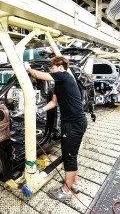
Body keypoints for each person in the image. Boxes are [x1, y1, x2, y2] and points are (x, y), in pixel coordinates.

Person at [24, 56, 87, 200]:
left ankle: (65, 192)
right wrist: (40, 110)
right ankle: (75, 183)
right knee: (70, 155)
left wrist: (27, 68)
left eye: (52, 67)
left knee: (69, 158)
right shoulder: (60, 83)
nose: (50, 69)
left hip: (73, 124)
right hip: (73, 123)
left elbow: (38, 75)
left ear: (60, 67)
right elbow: (53, 102)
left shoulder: (64, 76)